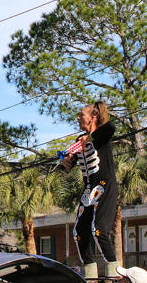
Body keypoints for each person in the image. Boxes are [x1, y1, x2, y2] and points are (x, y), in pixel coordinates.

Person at [61, 101, 119, 279]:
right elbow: (67, 165)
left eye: (82, 115)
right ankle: (90, 275)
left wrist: (90, 138)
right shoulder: (79, 141)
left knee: (99, 230)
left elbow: (111, 127)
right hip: (89, 190)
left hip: (105, 186)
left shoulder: (101, 135)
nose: (78, 118)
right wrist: (65, 164)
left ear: (93, 118)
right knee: (79, 232)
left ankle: (115, 274)